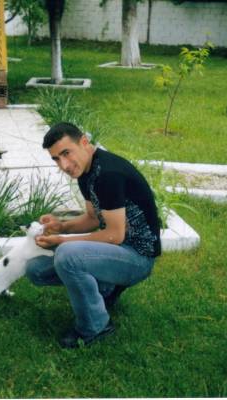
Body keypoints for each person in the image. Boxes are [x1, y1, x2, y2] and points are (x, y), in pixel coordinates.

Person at [26, 122, 162, 349]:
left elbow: (115, 235)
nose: (64, 165)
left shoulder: (108, 174)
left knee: (68, 256)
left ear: (84, 142)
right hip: (117, 251)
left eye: (66, 153)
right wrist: (61, 226)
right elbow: (92, 218)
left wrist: (62, 241)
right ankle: (106, 288)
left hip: (138, 258)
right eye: (56, 159)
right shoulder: (85, 172)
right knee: (35, 270)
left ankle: (95, 327)